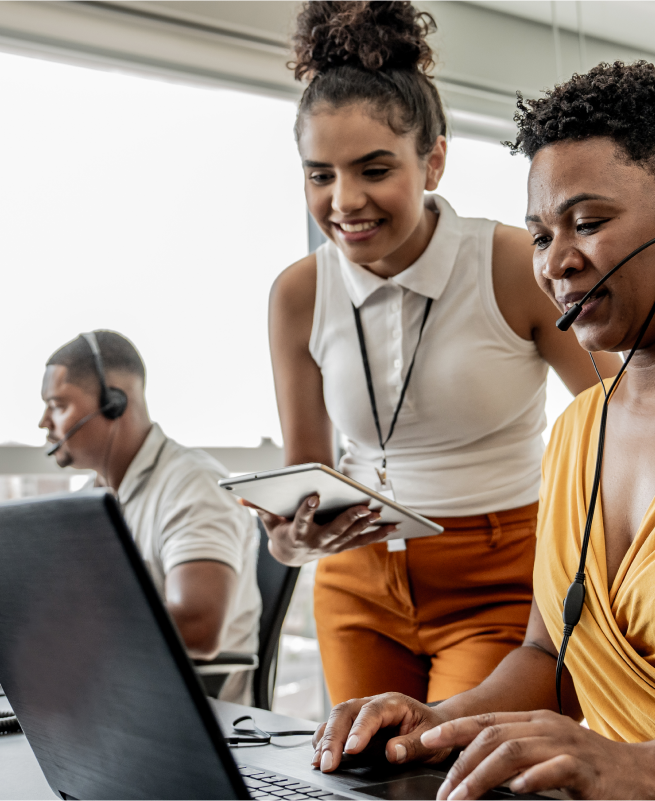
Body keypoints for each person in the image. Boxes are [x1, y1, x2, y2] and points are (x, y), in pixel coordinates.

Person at [310, 60, 655, 800]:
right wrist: (433, 724)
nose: (557, 262)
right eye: (539, 235)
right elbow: (547, 653)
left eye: (589, 223)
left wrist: (640, 764)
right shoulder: (575, 434)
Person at [259, 0, 621, 706]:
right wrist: (290, 538)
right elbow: (307, 478)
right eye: (319, 175)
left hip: (500, 582)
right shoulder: (297, 294)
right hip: (356, 583)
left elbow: (619, 417)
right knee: (360, 773)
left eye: (372, 169)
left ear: (433, 160)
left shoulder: (515, 263)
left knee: (451, 771)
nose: (344, 201)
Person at [39, 330, 261, 704]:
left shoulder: (191, 484)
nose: (44, 422)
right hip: (113, 694)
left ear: (114, 402)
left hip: (192, 706)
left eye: (58, 405)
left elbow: (198, 627)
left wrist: (57, 631)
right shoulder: (94, 500)